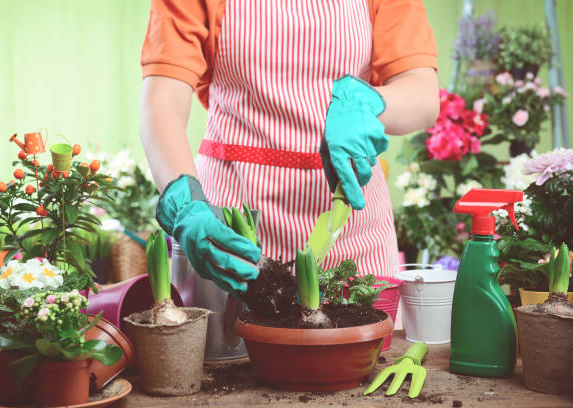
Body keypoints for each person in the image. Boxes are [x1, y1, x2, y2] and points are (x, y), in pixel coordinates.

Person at [140, 0, 439, 294]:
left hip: (353, 225)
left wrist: (366, 105)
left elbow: (422, 94)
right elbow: (162, 101)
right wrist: (185, 200)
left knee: (365, 342)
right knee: (224, 345)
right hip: (232, 228)